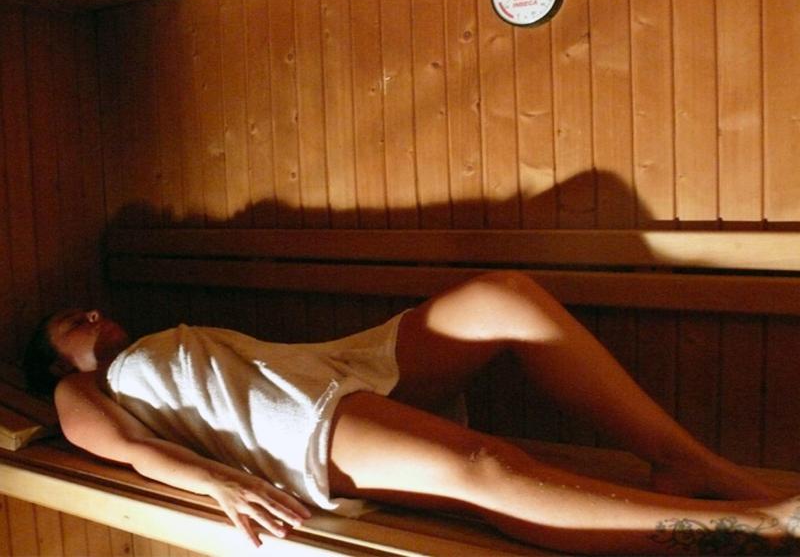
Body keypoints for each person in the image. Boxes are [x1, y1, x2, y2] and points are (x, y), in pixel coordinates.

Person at [24, 270, 800, 555]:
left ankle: (689, 462)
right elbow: (121, 446)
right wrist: (215, 483)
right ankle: (750, 529)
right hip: (291, 427)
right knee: (483, 466)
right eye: (69, 321)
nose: (89, 313)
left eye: (88, 307)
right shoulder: (85, 388)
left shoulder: (150, 348)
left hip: (323, 369)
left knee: (505, 296)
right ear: (56, 363)